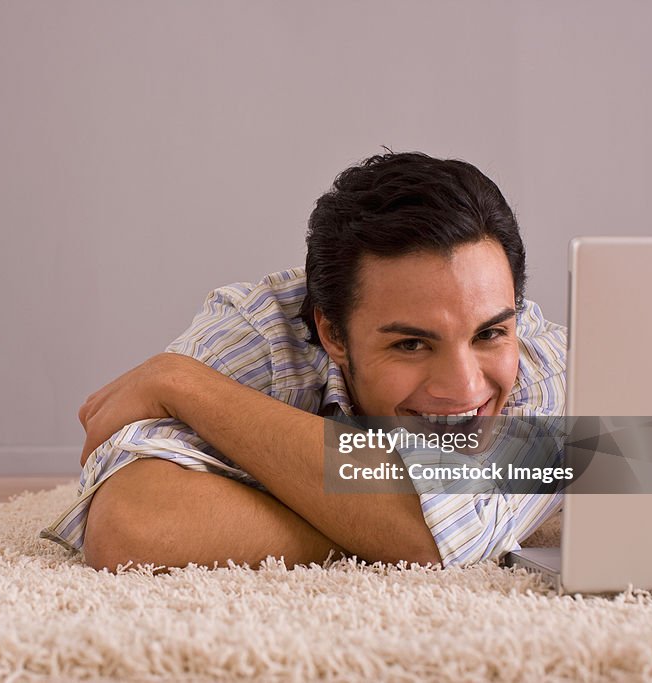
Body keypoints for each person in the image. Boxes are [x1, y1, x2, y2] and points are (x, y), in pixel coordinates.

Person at [40, 151, 567, 570]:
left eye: (489, 333)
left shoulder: (552, 370)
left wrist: (183, 385)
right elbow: (136, 522)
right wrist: (379, 523)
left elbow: (455, 530)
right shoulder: (259, 332)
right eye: (411, 344)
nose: (463, 386)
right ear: (332, 332)